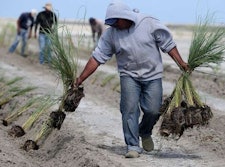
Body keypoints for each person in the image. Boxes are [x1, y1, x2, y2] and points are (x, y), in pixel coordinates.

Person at [75, 2, 189, 158]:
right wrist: (80, 78)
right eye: (111, 22)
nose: (113, 25)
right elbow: (97, 57)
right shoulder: (111, 34)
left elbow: (168, 44)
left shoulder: (148, 22)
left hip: (152, 75)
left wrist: (181, 63)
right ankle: (132, 145)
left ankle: (144, 131)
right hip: (129, 75)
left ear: (125, 16)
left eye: (116, 21)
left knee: (153, 109)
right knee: (129, 109)